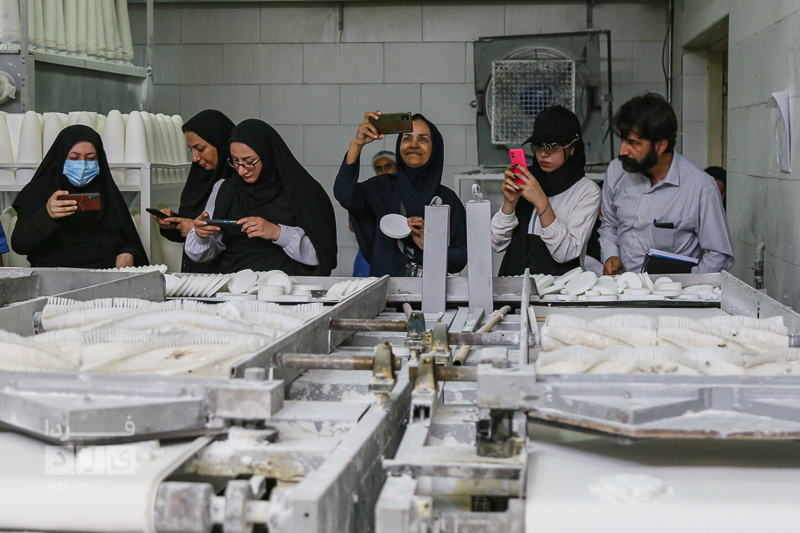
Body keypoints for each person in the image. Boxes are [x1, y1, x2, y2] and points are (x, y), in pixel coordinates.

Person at [599, 93, 733, 274]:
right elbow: (609, 224)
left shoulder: (700, 188)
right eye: (622, 140)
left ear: (660, 146)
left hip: (672, 290)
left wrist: (684, 285)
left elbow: (718, 255)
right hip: (621, 286)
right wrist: (611, 255)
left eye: (633, 143)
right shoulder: (616, 172)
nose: (622, 151)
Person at [184, 119, 337, 275]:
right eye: (235, 161)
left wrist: (276, 232)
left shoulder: (302, 192)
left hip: (287, 285)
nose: (241, 171)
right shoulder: (225, 189)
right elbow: (206, 254)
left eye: (249, 162)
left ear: (267, 155)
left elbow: (322, 254)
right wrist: (201, 236)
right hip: (234, 285)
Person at [334, 112, 468, 277]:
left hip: (433, 289)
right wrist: (357, 144)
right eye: (407, 138)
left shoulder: (447, 199)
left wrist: (432, 244)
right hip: (387, 289)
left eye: (423, 139)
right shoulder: (382, 188)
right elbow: (344, 195)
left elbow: (460, 259)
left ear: (435, 148)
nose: (414, 145)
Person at [11, 125, 148, 268]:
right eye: (74, 158)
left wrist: (127, 252)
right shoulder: (39, 190)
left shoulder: (106, 190)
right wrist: (47, 215)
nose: (82, 165)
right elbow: (19, 244)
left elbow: (124, 236)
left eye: (90, 158)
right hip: (53, 273)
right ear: (61, 157)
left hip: (104, 273)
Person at [491, 105, 601, 276]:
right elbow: (497, 243)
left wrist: (541, 201)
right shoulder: (526, 180)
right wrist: (509, 203)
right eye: (538, 145)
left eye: (553, 146)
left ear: (572, 148)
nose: (544, 153)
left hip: (560, 287)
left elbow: (565, 253)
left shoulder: (586, 191)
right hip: (515, 284)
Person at [153, 109, 235, 272]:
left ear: (220, 143)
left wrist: (196, 230)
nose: (195, 158)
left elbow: (236, 233)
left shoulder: (237, 183)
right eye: (191, 150)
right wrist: (175, 223)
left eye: (201, 149)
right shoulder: (199, 179)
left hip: (226, 275)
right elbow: (191, 225)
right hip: (195, 273)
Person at [351, 149, 398, 277]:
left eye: (388, 166)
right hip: (372, 249)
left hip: (396, 250)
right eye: (379, 168)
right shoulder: (368, 191)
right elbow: (353, 226)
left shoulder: (405, 191)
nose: (384, 171)